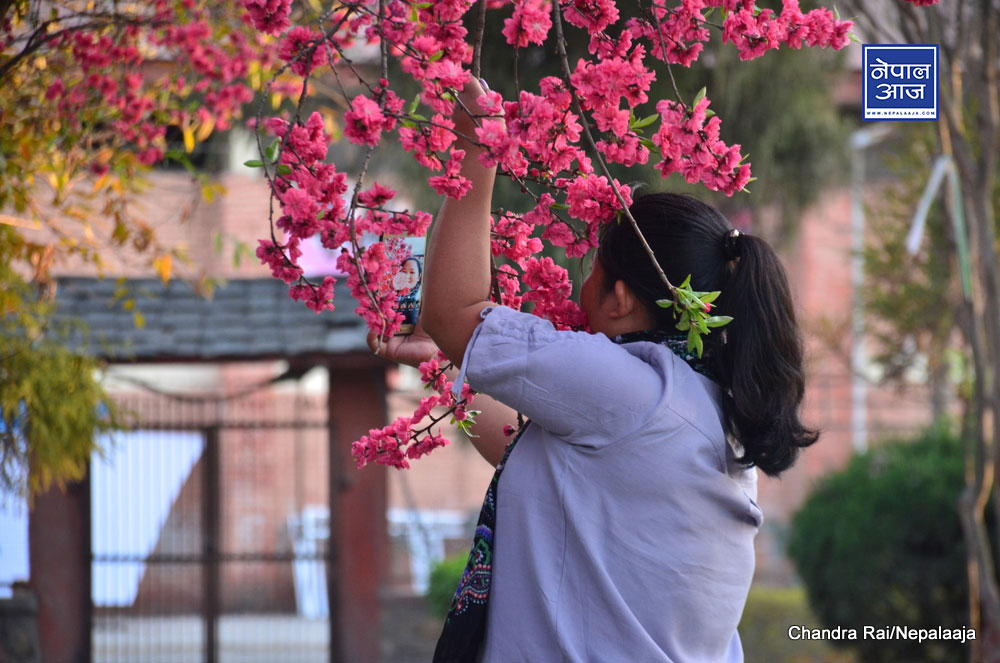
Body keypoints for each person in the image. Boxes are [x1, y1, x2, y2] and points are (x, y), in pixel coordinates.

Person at [370, 79, 818, 663]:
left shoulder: (634, 388)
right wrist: (447, 364)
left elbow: (454, 314)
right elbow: (534, 458)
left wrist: (478, 149)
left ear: (622, 299)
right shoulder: (700, 403)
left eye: (594, 267)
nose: (579, 287)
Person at [393, 256, 422, 327]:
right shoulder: (392, 295)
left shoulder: (421, 296)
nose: (407, 276)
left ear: (419, 277)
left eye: (412, 272)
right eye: (404, 272)